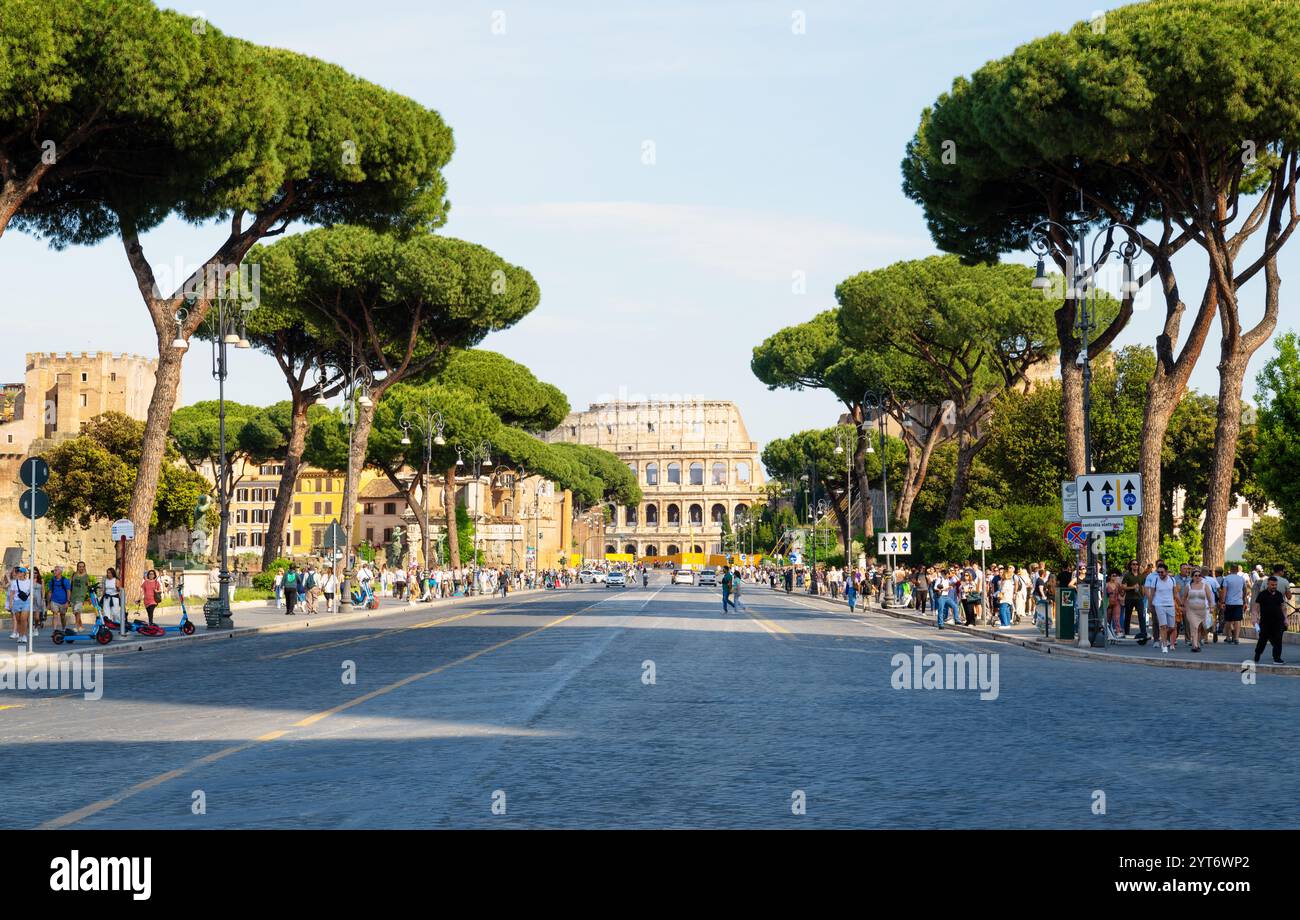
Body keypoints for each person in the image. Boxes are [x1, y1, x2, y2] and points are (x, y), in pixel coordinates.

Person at [1252, 574, 1290, 665]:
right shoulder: (1262, 594)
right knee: (1262, 640)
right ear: (1268, 584)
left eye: (1275, 585)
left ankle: (1277, 658)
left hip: (1278, 621)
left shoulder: (1279, 594)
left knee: (1278, 640)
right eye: (1272, 585)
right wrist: (1255, 617)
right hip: (1266, 621)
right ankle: (1257, 654)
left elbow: (1283, 607)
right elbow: (1256, 606)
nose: (1274, 587)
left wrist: (1285, 619)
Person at [1146, 562, 1180, 653]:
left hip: (1170, 604)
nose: (1160, 574)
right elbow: (1152, 594)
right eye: (1158, 572)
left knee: (1172, 627)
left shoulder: (1172, 580)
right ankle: (1164, 644)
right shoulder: (1155, 580)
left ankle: (1164, 636)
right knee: (1163, 626)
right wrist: (1150, 605)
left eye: (1162, 572)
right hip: (1159, 604)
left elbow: (1175, 593)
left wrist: (1180, 604)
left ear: (1166, 572)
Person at [1179, 569, 1213, 653]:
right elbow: (1184, 597)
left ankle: (1197, 641)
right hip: (1191, 610)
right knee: (1194, 627)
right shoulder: (1188, 586)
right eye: (1195, 575)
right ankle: (1194, 645)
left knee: (1201, 628)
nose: (1197, 577)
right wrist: (1182, 606)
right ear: (1192, 577)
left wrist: (1211, 607)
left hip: (1202, 611)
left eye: (1199, 575)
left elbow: (1209, 598)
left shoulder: (1205, 586)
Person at [1220, 563, 1247, 645]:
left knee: (1228, 620)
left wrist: (1223, 602)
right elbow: (1245, 589)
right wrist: (1243, 598)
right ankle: (1236, 638)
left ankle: (1228, 637)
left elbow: (1224, 591)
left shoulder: (1227, 578)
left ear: (1230, 569)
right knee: (1237, 620)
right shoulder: (1241, 579)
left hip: (1229, 602)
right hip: (1239, 602)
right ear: (1238, 570)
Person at [8, 565, 32, 645]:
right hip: (16, 602)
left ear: (24, 573)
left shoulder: (29, 582)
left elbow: (31, 593)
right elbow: (12, 593)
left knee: (24, 619)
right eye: (18, 572)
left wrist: (32, 602)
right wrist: (11, 604)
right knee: (18, 620)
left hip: (26, 602)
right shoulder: (14, 582)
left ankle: (24, 635)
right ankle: (20, 635)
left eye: (20, 572)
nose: (18, 573)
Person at [47, 565, 70, 631]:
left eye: (56, 570)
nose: (54, 571)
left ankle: (64, 628)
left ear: (60, 572)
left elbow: (68, 591)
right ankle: (54, 630)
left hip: (63, 601)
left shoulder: (65, 581)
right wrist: (48, 603)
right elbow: (50, 592)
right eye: (54, 570)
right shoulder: (52, 581)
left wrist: (67, 602)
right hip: (54, 601)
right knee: (55, 614)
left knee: (62, 616)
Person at [69, 562, 89, 630]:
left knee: (77, 611)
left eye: (82, 566)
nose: (81, 568)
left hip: (81, 596)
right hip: (73, 596)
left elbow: (88, 586)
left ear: (84, 567)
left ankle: (76, 626)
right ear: (77, 567)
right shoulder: (74, 575)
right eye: (79, 566)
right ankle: (81, 626)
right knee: (76, 613)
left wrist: (87, 595)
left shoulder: (86, 576)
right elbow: (69, 584)